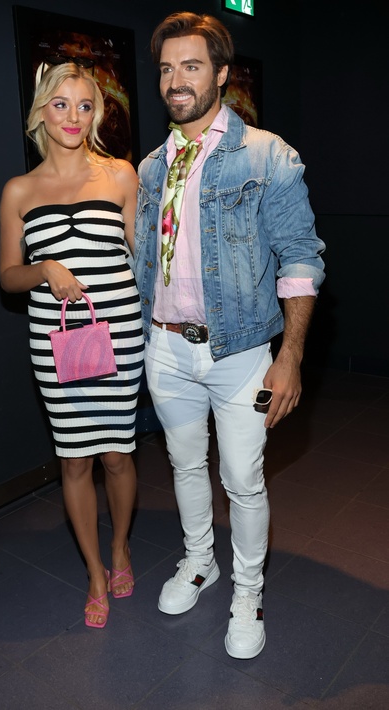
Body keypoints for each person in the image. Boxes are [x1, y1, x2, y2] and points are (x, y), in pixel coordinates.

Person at [134, 12, 325, 659]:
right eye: (166, 68)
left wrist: (290, 355)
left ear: (221, 74)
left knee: (242, 479)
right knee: (185, 464)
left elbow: (300, 258)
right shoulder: (152, 168)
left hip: (241, 352)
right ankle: (200, 561)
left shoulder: (267, 155)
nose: (176, 80)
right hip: (166, 347)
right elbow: (144, 261)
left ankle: (248, 590)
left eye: (191, 66)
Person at [0, 62, 144, 629]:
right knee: (75, 460)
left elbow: (145, 260)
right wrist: (44, 269)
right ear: (41, 111)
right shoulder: (19, 190)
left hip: (120, 336)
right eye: (60, 104)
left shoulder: (121, 175)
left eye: (85, 105)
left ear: (97, 113)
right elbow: (8, 276)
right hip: (56, 344)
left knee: (118, 455)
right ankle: (93, 571)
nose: (73, 117)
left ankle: (120, 549)